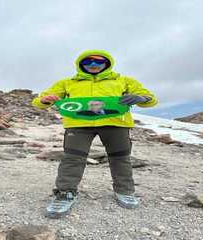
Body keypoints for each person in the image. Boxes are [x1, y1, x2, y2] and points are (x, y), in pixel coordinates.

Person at [32, 50, 158, 218]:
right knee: (72, 159)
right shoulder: (67, 83)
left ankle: (125, 191)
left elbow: (150, 98)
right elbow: (39, 101)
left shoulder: (124, 80)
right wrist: (44, 100)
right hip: (78, 125)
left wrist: (141, 98)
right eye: (88, 62)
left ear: (107, 63)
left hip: (116, 124)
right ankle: (65, 193)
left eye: (98, 61)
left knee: (121, 159)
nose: (93, 65)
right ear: (80, 64)